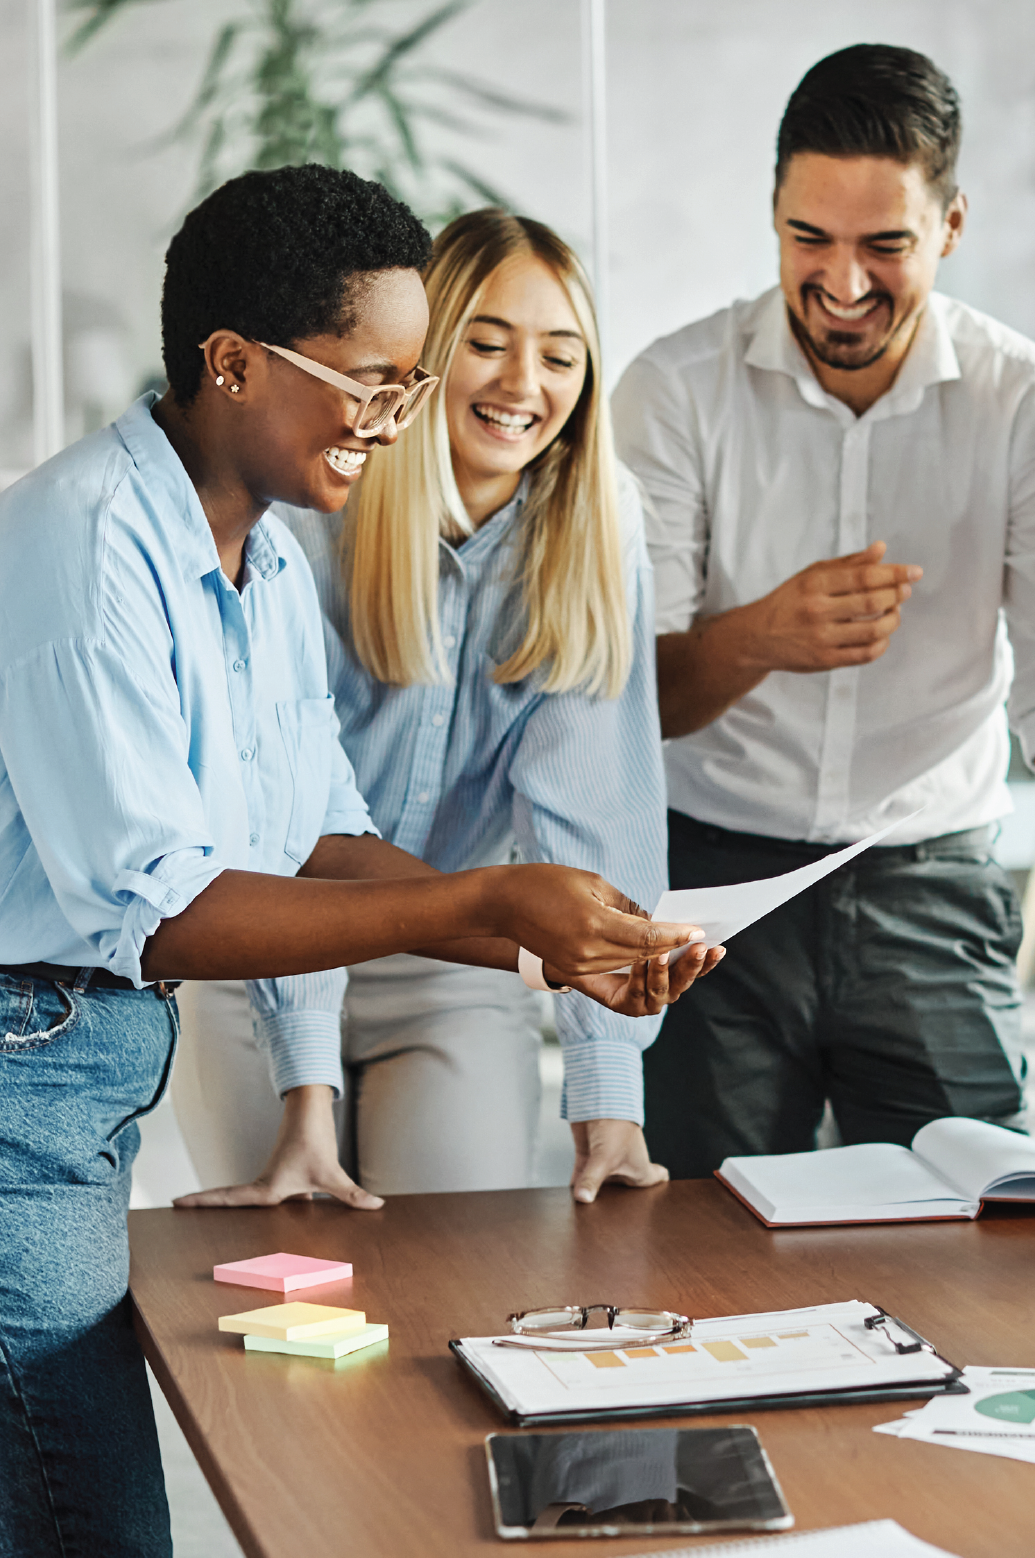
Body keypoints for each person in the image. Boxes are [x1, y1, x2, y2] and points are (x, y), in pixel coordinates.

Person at [0, 165, 717, 1558]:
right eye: (372, 385)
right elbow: (168, 909)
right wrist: (488, 903)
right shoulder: (82, 557)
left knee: (14, 1515)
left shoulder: (255, 563)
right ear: (232, 365)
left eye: (408, 386)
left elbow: (313, 830)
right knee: (90, 1541)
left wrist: (541, 943)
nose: (398, 424)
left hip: (20, 1060)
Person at [614, 43, 1035, 1178]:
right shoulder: (672, 391)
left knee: (972, 1235)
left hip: (929, 883)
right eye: (810, 239)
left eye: (885, 246)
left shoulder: (1026, 404)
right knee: (698, 1247)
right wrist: (762, 635)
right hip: (710, 884)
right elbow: (627, 699)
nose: (844, 282)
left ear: (951, 227)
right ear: (771, 213)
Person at [174, 208, 674, 1207]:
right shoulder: (313, 512)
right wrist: (303, 1090)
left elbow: (593, 822)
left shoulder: (597, 534)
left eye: (560, 356)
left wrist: (607, 1089)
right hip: (258, 962)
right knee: (284, 1278)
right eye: (485, 344)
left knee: (455, 1266)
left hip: (454, 964)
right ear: (417, 360)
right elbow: (288, 830)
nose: (523, 385)